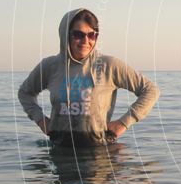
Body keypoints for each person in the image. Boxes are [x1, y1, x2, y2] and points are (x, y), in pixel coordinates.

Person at [18, 8, 159, 147]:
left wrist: (123, 123)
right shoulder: (50, 66)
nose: (86, 41)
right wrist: (41, 120)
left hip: (99, 153)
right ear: (65, 35)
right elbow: (25, 93)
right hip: (60, 151)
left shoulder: (108, 65)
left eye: (92, 35)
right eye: (78, 35)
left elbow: (150, 90)